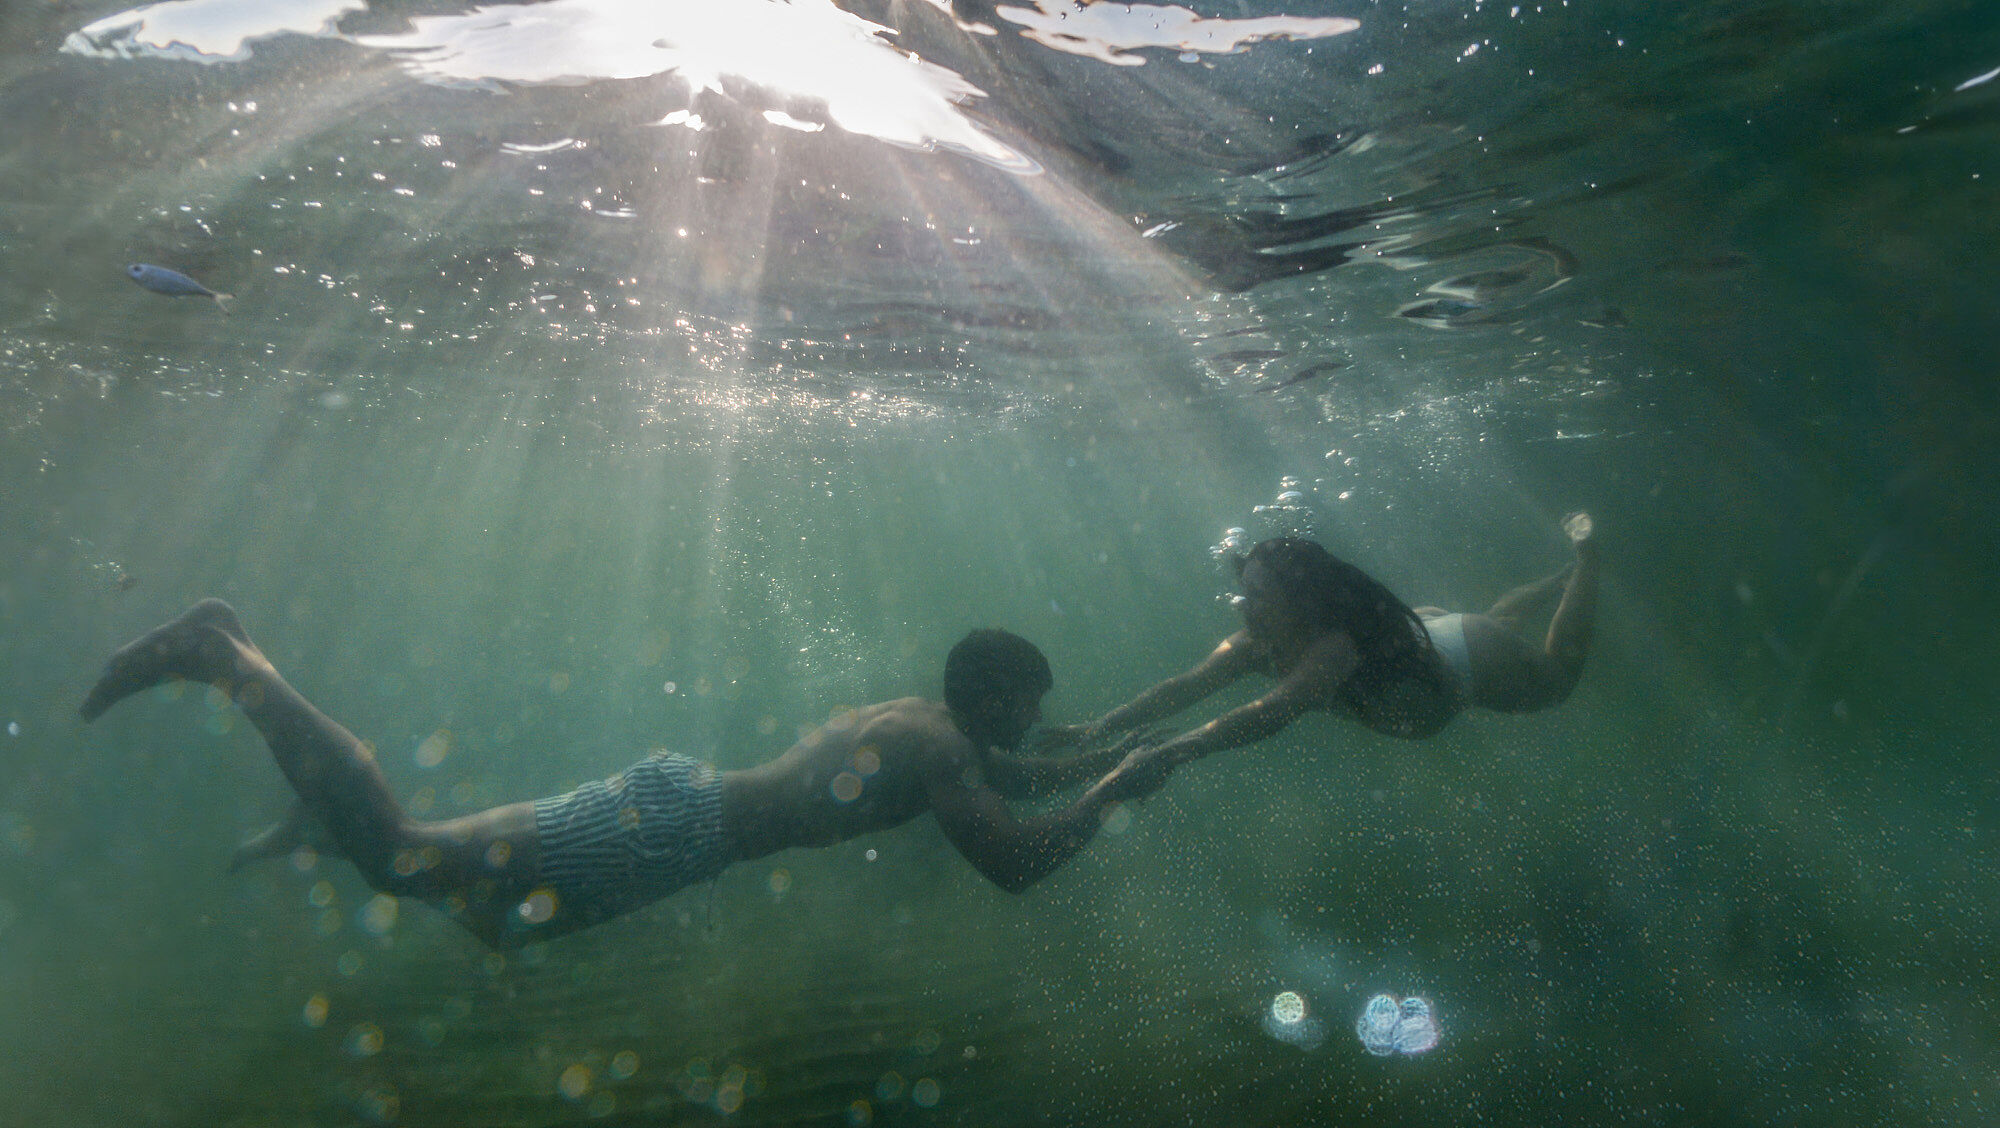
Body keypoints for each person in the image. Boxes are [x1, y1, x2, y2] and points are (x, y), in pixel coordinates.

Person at [79, 601, 1167, 949]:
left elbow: (1019, 774)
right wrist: (1115, 792)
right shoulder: (941, 747)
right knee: (409, 859)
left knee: (493, 924)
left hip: (674, 810)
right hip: (671, 833)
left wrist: (1117, 747)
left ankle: (317, 817)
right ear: (991, 698)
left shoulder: (935, 723)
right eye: (1027, 705)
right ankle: (225, 659)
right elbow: (1014, 862)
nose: (1036, 721)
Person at [1037, 512, 1599, 767]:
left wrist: (1178, 750)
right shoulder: (1259, 642)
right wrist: (1097, 729)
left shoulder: (1332, 649)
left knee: (1558, 680)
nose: (1243, 606)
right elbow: (1182, 688)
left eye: (1258, 596)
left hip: (1468, 657)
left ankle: (1588, 563)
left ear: (1298, 601)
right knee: (1498, 618)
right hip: (1434, 635)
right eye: (1244, 593)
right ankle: (1558, 579)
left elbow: (1274, 710)